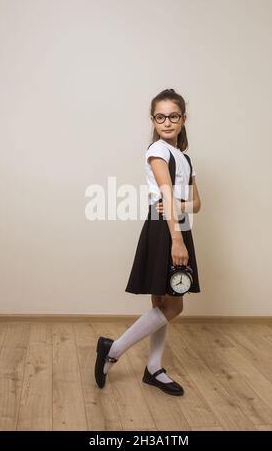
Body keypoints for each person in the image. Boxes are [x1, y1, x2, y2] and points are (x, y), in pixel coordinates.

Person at [94, 88, 201, 396]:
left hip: (174, 222)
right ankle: (113, 348)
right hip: (166, 229)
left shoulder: (185, 158)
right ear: (153, 120)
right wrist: (176, 239)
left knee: (162, 301)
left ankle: (153, 368)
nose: (166, 122)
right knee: (173, 304)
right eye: (160, 116)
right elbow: (166, 192)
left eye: (173, 116)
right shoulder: (158, 151)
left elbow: (196, 203)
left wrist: (177, 206)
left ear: (183, 119)